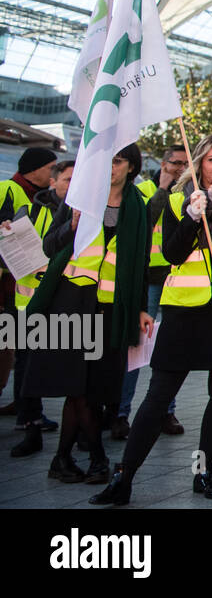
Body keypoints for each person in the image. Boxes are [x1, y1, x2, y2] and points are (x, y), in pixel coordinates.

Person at [90, 135, 212, 505]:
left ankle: (204, 472)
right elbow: (171, 252)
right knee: (157, 397)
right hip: (186, 309)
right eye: (211, 159)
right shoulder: (174, 199)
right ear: (199, 163)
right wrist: (190, 218)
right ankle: (125, 476)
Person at [25, 145, 149, 484]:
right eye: (106, 159)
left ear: (131, 166)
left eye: (118, 161)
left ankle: (62, 458)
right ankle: (96, 458)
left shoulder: (137, 205)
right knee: (80, 388)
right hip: (71, 300)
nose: (111, 167)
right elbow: (50, 247)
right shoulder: (79, 197)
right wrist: (72, 227)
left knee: (91, 388)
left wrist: (140, 307)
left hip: (110, 306)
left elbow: (139, 263)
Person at [114, 145, 187, 440]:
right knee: (136, 347)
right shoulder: (143, 188)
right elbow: (145, 221)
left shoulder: (190, 192)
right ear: (163, 163)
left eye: (185, 163)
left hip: (177, 280)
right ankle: (120, 412)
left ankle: (165, 411)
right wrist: (163, 188)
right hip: (146, 279)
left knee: (167, 350)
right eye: (174, 162)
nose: (179, 168)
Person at [2, 146, 60, 456]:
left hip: (28, 288)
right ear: (33, 169)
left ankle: (29, 411)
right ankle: (27, 414)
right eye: (50, 167)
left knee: (28, 353)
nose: (52, 173)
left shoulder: (44, 198)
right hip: (12, 288)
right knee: (24, 354)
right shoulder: (7, 190)